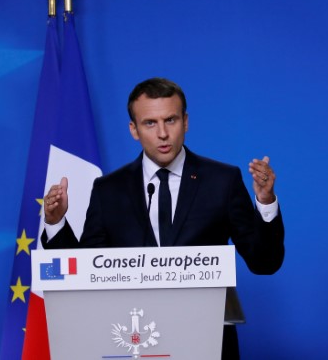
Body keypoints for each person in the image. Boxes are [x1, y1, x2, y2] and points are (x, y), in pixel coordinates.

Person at [41, 77, 285, 359]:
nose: (163, 134)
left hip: (207, 343)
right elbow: (85, 275)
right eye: (150, 123)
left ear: (186, 121)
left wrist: (265, 202)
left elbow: (264, 262)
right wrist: (57, 222)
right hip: (133, 343)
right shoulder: (109, 189)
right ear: (134, 129)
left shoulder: (222, 181)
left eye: (171, 120)